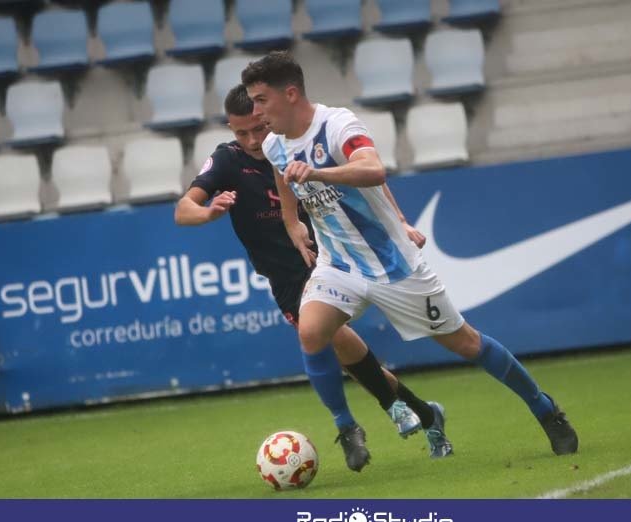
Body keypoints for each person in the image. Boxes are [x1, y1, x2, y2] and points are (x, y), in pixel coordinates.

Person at [243, 51, 579, 457]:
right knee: (311, 332)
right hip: (339, 264)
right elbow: (284, 175)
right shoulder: (276, 143)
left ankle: (545, 410)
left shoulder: (338, 124)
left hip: (393, 266)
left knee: (467, 344)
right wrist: (292, 221)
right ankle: (347, 428)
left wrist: (318, 173)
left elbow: (373, 168)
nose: (255, 110)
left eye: (261, 99)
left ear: (291, 93)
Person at [174, 84, 452, 472]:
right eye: (242, 133)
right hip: (282, 276)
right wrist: (208, 212)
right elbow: (183, 209)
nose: (253, 140)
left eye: (259, 129)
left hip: (329, 257)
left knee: (331, 336)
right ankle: (423, 413)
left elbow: (370, 178)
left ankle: (351, 424)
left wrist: (401, 222)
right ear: (230, 129)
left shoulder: (296, 142)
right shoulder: (226, 161)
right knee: (344, 353)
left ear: (268, 114)